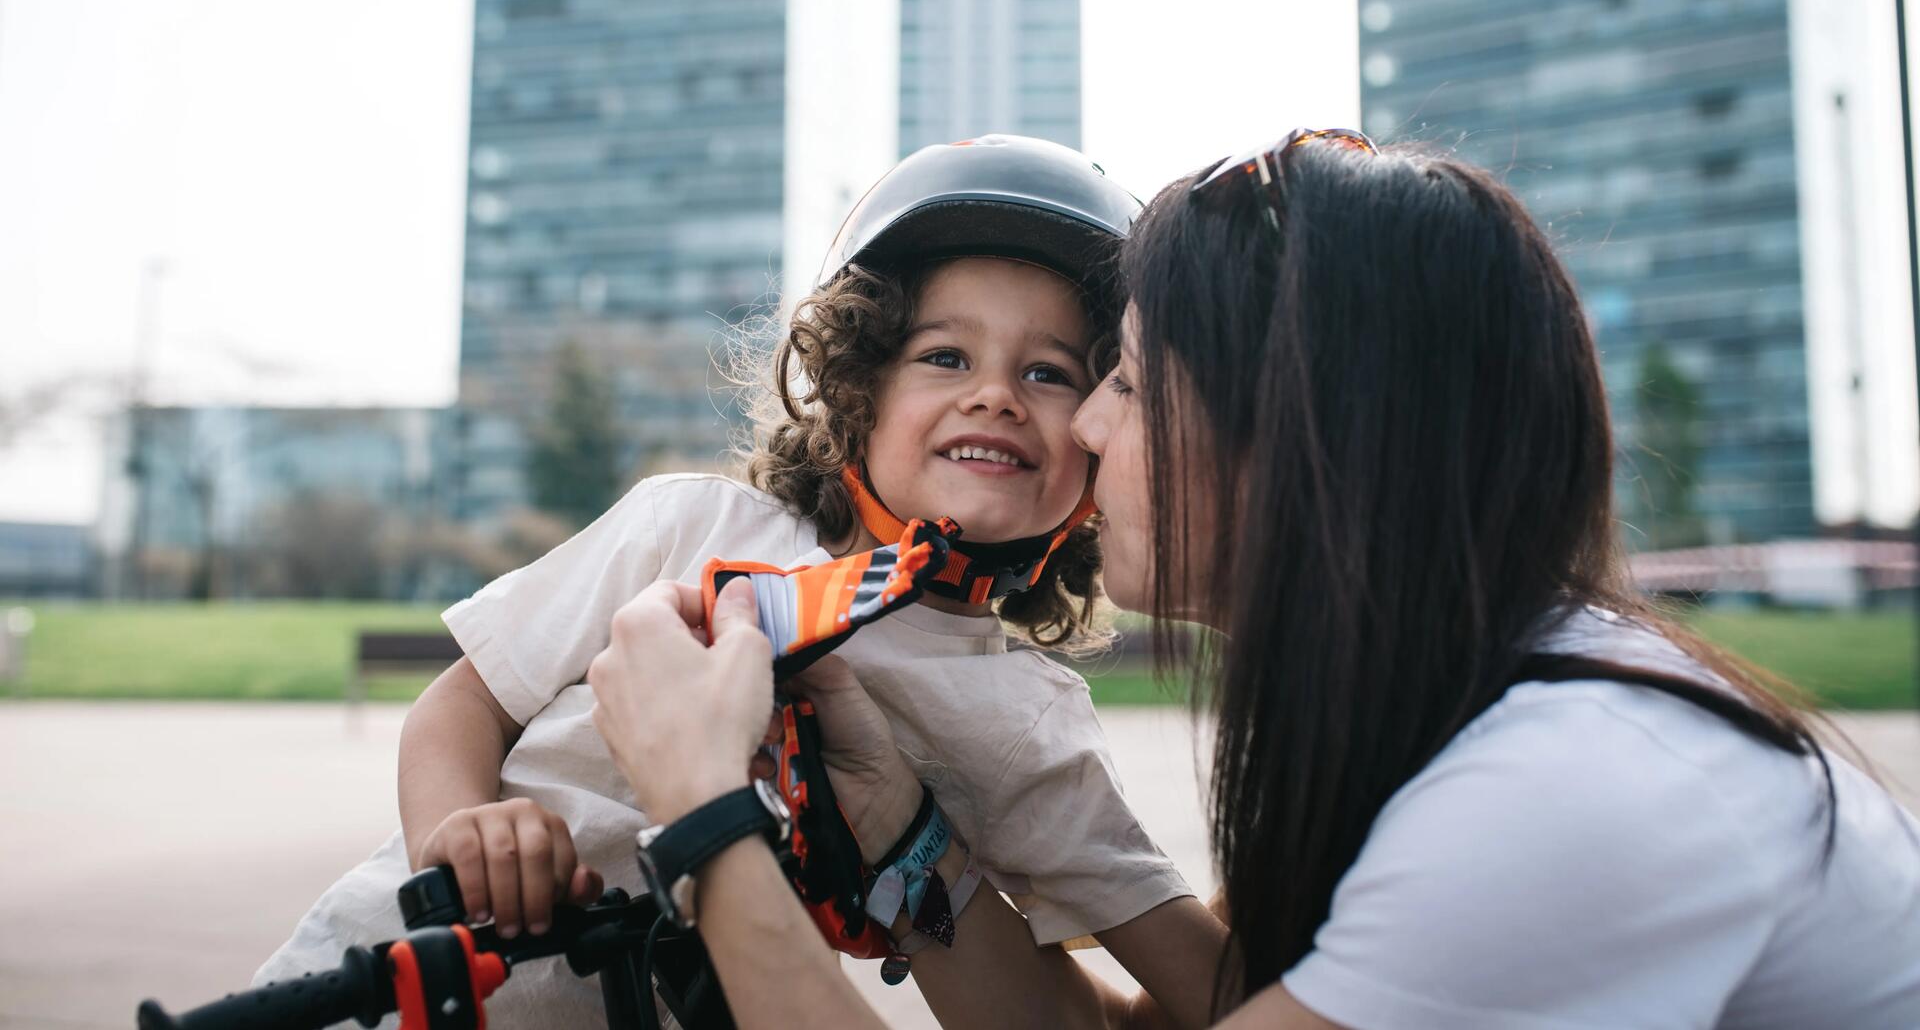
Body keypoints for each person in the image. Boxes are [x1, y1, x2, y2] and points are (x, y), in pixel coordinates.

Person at [591, 130, 1920, 1028]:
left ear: (1302, 426)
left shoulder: (1563, 797)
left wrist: (706, 817)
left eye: (1119, 377)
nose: (1088, 428)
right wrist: (898, 847)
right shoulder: (1443, 711)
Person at [252, 136, 1223, 1026]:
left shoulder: (1031, 724)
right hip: (372, 986)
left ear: (1100, 440)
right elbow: (463, 700)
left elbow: (1199, 982)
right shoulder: (691, 524)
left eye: (1051, 374)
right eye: (944, 356)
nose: (995, 395)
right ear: (857, 394)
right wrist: (462, 831)